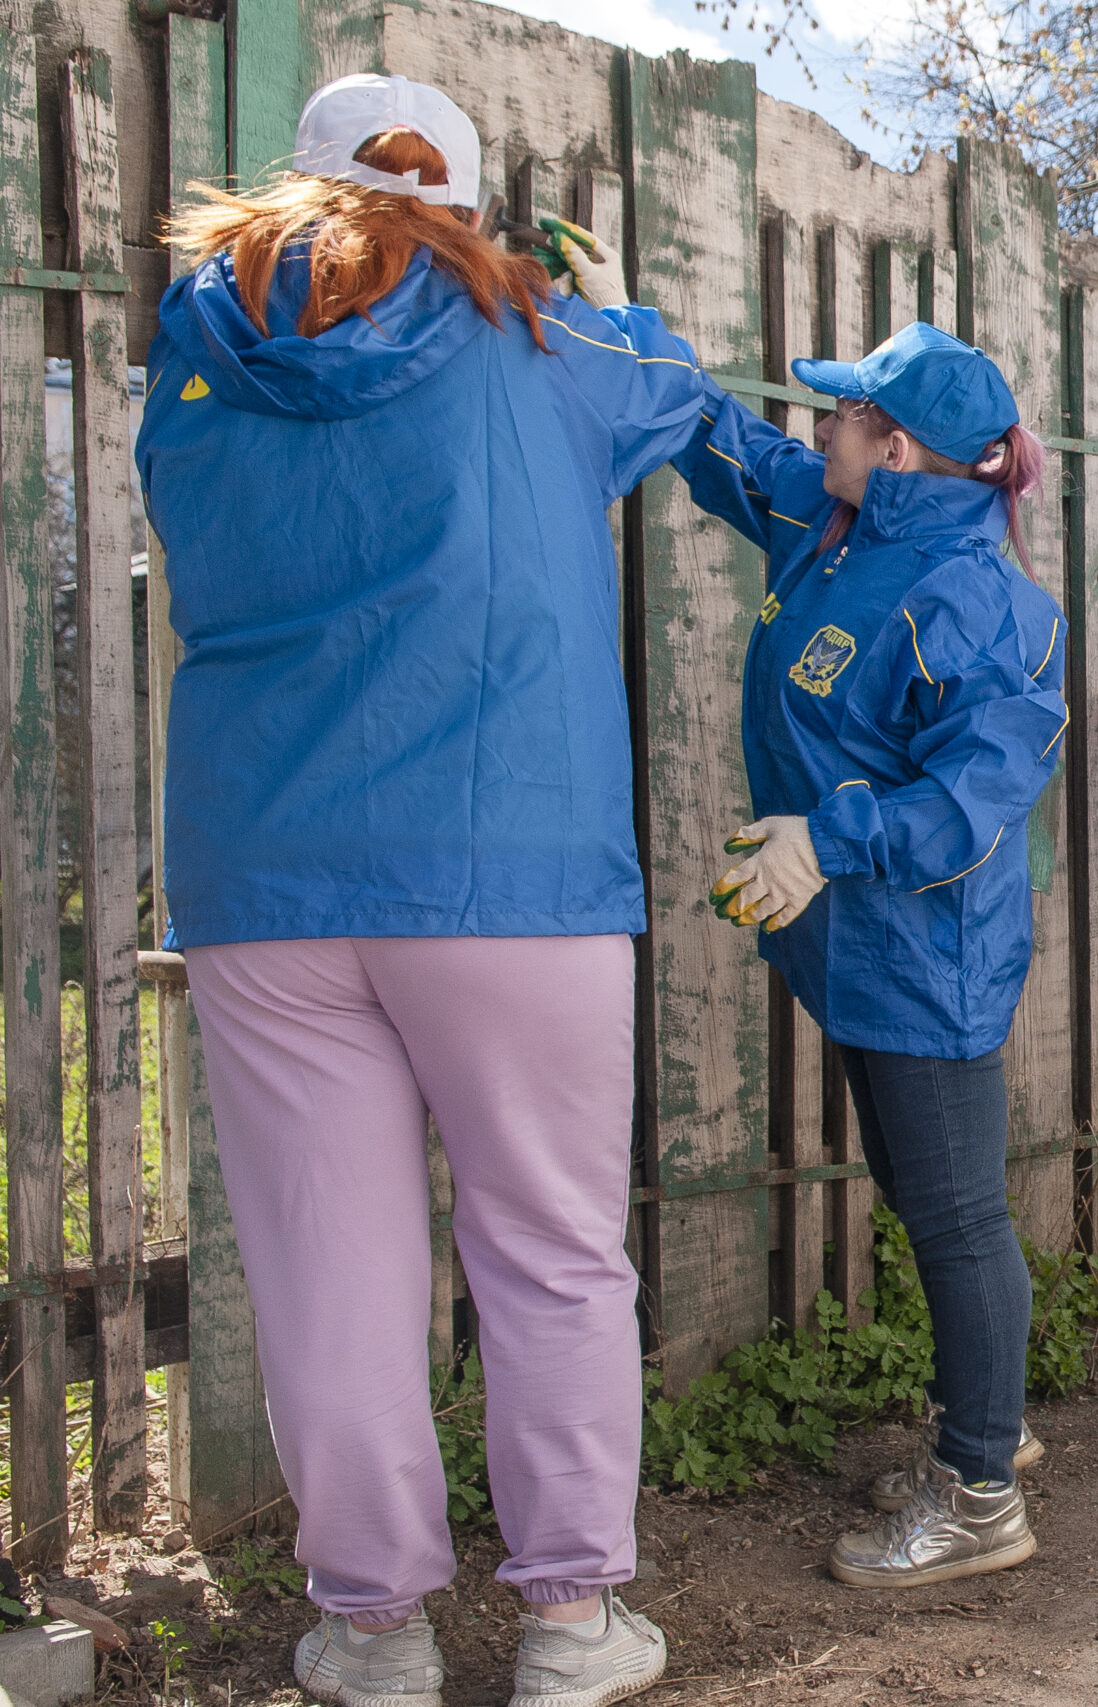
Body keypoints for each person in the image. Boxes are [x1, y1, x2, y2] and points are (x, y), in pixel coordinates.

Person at [136, 74, 694, 1707]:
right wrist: (600, 307)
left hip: (268, 871)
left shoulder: (195, 351)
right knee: (550, 1250)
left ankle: (373, 1632)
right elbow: (671, 389)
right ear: (460, 203)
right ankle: (571, 1627)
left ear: (295, 188)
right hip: (512, 861)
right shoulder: (545, 338)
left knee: (328, 1265)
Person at [602, 285, 1068, 1580]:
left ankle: (982, 1493)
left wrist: (828, 834)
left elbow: (971, 799)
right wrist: (624, 325)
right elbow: (728, 444)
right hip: (853, 950)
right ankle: (984, 1427)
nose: (818, 428)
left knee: (959, 1213)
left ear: (897, 446)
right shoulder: (839, 523)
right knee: (932, 1201)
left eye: (843, 414)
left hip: (926, 960)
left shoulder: (982, 602)